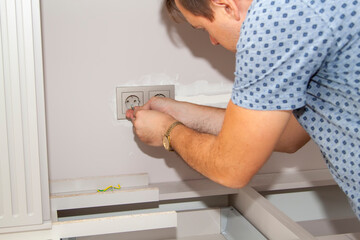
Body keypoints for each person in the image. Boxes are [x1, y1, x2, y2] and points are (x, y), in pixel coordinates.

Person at [126, 0, 360, 219]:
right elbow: (290, 136)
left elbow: (230, 169)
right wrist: (183, 115)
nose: (213, 41)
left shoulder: (272, 21)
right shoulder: (300, 14)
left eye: (203, 28)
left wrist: (168, 132)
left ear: (225, 5)